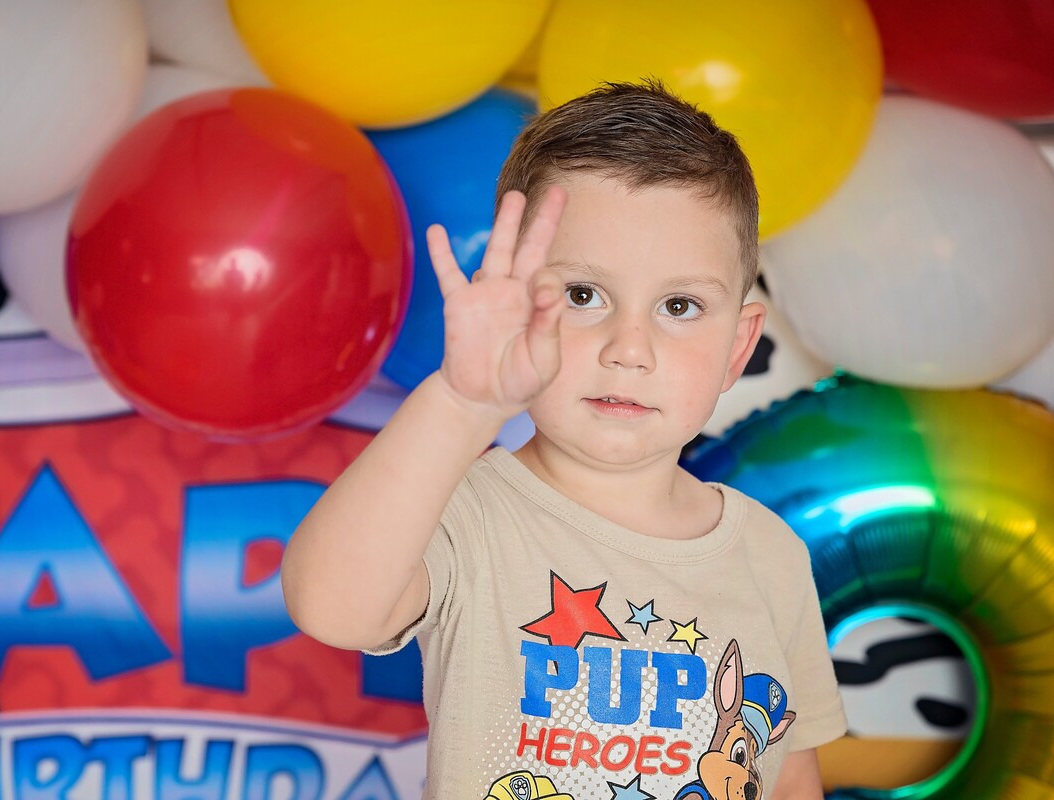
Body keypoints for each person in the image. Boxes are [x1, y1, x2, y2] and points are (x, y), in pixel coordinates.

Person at [281, 80, 846, 799]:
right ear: (516, 310)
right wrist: (460, 402)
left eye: (679, 306)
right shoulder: (467, 513)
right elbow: (329, 604)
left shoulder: (772, 555)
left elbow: (789, 772)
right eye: (583, 296)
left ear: (738, 346)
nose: (629, 348)